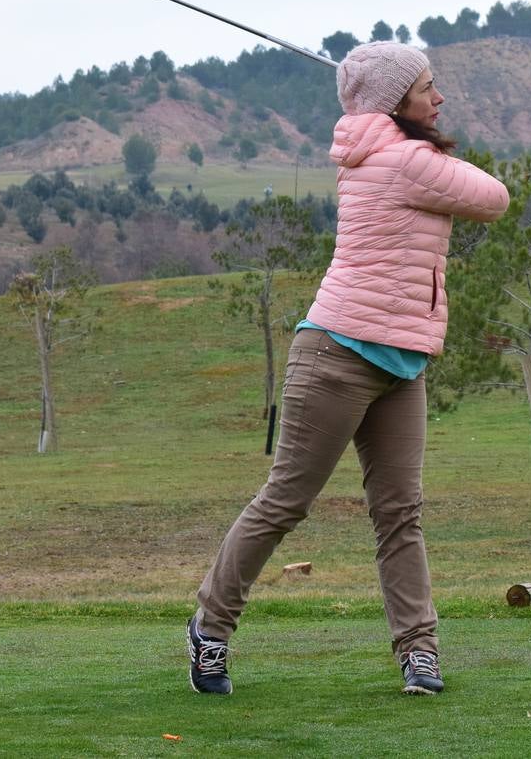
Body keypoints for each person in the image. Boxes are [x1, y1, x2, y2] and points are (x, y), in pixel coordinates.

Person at [188, 41, 510, 696]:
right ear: (397, 103)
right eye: (427, 88)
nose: (439, 98)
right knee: (284, 502)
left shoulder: (391, 151)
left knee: (400, 513)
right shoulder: (402, 160)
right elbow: (494, 197)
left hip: (401, 363)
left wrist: (421, 131)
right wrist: (433, 143)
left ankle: (419, 652)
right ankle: (210, 630)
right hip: (337, 356)